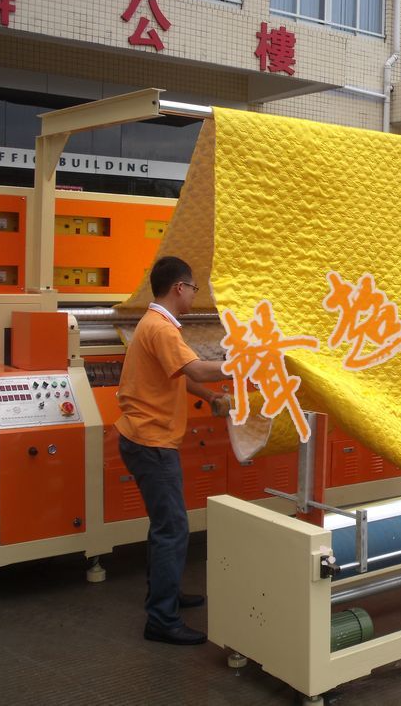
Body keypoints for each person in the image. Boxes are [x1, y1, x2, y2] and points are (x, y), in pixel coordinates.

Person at [115, 256, 230, 646]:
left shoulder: (154, 324)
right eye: (194, 288)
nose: (194, 296)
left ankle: (165, 594)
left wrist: (210, 397)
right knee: (173, 528)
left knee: (165, 525)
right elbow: (196, 369)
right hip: (152, 442)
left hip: (144, 438)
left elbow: (180, 376)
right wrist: (246, 363)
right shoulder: (161, 329)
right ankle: (161, 619)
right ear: (179, 288)